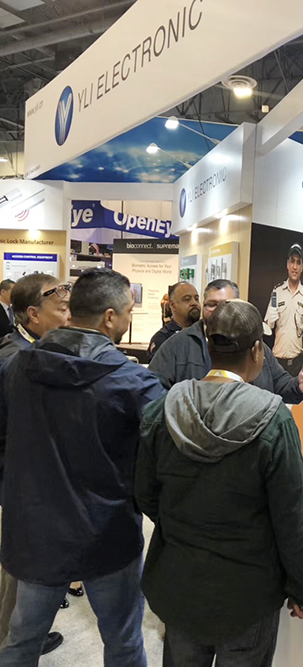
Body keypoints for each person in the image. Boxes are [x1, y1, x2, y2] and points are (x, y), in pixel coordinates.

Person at [136, 300, 303, 667]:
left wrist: (185, 527)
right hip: (248, 593)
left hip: (180, 580)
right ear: (257, 351)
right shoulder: (274, 419)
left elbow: (145, 493)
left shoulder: (164, 409)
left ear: (208, 347)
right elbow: (292, 518)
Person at [0, 268, 164, 667]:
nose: (129, 319)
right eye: (128, 311)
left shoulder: (18, 367)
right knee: (124, 643)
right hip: (107, 533)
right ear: (109, 317)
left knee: (21, 643)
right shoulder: (134, 382)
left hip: (36, 530)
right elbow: (163, 457)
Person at [0, 273, 71, 656]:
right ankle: (12, 645)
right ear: (33, 314)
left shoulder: (34, 351)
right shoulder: (18, 361)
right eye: (62, 309)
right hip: (21, 485)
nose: (70, 316)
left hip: (29, 482)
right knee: (18, 573)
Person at [149, 279, 303, 401]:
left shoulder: (258, 347)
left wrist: (298, 386)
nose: (219, 310)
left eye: (226, 304)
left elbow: (279, 383)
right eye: (212, 304)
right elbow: (153, 395)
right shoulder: (176, 346)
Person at [265, 244, 303, 377]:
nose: (295, 267)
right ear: (287, 264)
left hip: (297, 363)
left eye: (298, 262)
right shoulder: (277, 292)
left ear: (302, 267)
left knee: (296, 390)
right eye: (292, 261)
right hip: (277, 361)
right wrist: (269, 320)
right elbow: (267, 328)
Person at [148, 282, 201, 360]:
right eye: (187, 299)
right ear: (172, 305)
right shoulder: (162, 339)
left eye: (196, 299)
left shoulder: (205, 335)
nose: (194, 303)